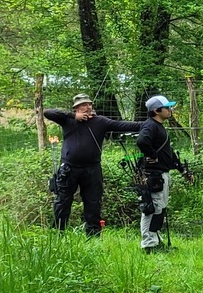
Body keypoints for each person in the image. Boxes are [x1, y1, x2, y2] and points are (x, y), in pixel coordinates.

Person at [44, 94, 142, 236]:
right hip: (69, 169)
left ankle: (93, 236)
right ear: (76, 107)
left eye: (89, 104)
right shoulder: (67, 120)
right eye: (84, 105)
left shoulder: (100, 121)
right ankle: (58, 234)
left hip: (92, 170)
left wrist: (148, 124)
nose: (88, 107)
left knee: (93, 203)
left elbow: (123, 125)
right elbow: (48, 112)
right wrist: (73, 116)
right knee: (62, 202)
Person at [135, 95, 188, 252]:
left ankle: (156, 241)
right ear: (157, 110)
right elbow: (142, 141)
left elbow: (169, 153)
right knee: (152, 208)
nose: (170, 110)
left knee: (160, 209)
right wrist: (152, 155)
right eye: (167, 107)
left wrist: (182, 169)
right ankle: (149, 245)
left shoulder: (160, 126)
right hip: (153, 176)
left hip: (161, 174)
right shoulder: (150, 126)